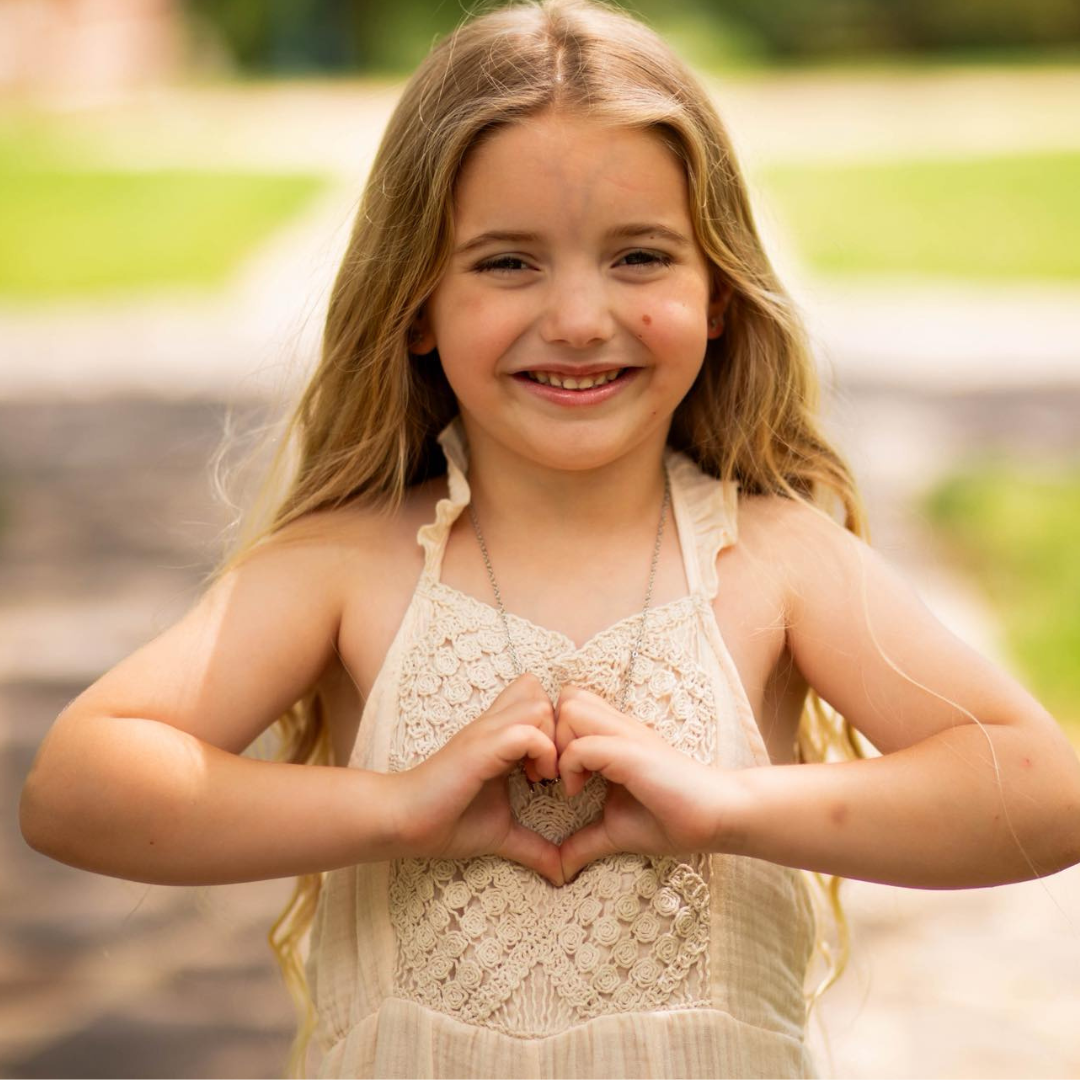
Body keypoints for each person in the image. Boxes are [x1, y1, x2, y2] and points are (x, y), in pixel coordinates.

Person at [19, 1, 1080, 1077]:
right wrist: (397, 810)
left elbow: (1041, 788)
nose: (577, 318)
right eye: (508, 264)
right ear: (415, 302)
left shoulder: (776, 562)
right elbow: (78, 786)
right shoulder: (346, 566)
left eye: (640, 257)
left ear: (717, 293)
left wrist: (727, 806)